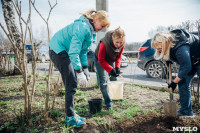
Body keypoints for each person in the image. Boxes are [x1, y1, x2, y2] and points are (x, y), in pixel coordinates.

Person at [49, 10, 110, 127]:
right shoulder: (82, 27)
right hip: (57, 49)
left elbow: (82, 52)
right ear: (96, 19)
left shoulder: (91, 32)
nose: (102, 29)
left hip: (64, 51)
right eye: (102, 26)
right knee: (71, 81)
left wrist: (85, 68)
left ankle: (70, 113)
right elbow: (73, 52)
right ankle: (70, 117)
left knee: (72, 82)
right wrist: (79, 72)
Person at [151, 29, 200, 117]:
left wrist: (174, 82)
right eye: (157, 48)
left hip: (197, 58)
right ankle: (186, 111)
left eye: (160, 48)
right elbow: (171, 52)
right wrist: (168, 59)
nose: (158, 50)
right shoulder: (170, 44)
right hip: (190, 60)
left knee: (179, 80)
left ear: (166, 42)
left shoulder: (181, 47)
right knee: (183, 83)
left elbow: (186, 67)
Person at [94, 27, 126, 109]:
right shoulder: (104, 44)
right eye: (117, 42)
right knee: (103, 81)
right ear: (112, 38)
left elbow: (119, 56)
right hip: (100, 60)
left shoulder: (122, 43)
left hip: (111, 59)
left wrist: (117, 67)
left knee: (114, 79)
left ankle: (115, 96)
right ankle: (108, 101)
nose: (119, 45)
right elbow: (101, 60)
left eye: (121, 42)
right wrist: (110, 69)